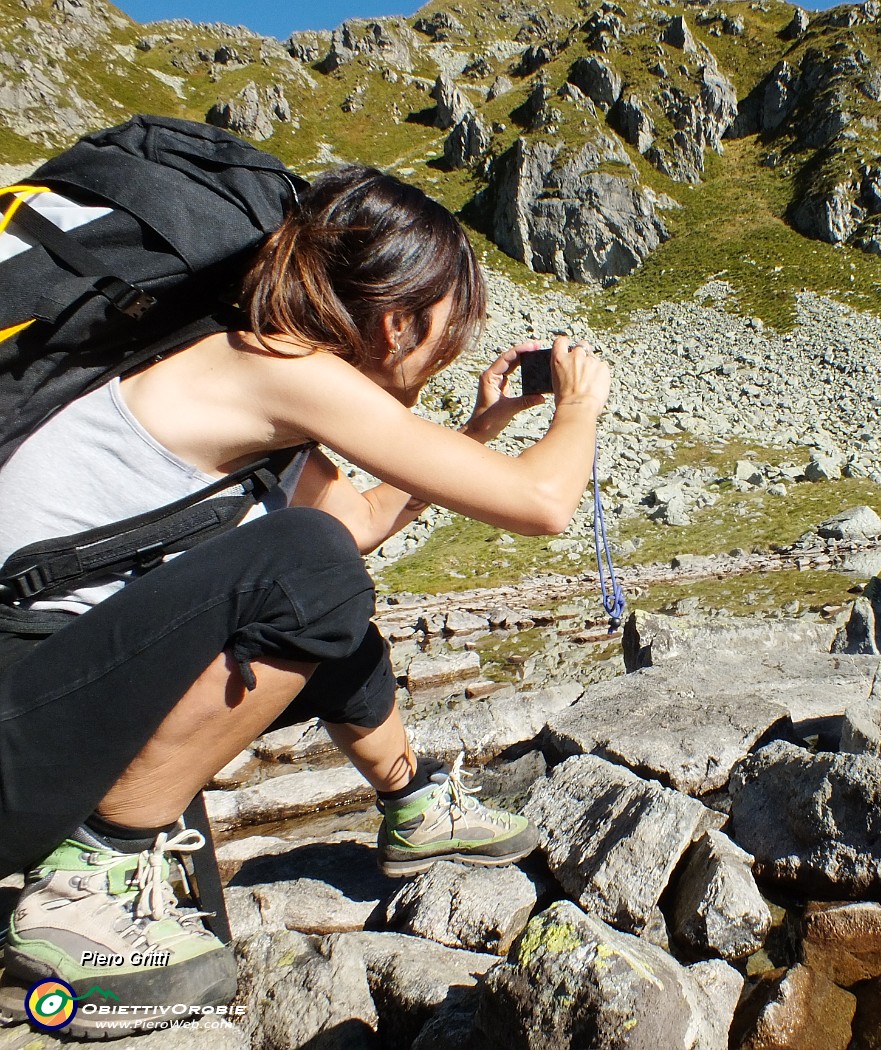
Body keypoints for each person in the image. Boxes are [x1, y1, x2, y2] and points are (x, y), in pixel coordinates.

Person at [0, 166, 610, 1035]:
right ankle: (84, 881)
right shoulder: (282, 368)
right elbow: (544, 506)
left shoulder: (245, 369)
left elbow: (358, 517)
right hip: (16, 739)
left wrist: (478, 433)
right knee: (309, 572)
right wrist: (579, 406)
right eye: (444, 335)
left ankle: (411, 808)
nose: (446, 357)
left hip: (43, 701)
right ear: (396, 321)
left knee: (326, 591)